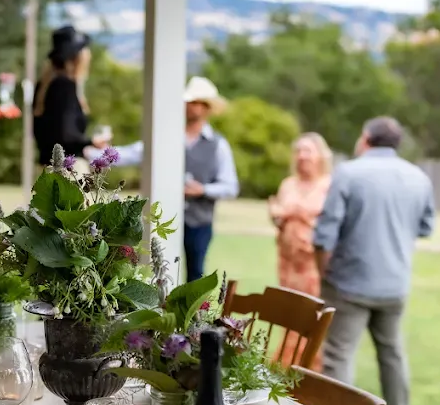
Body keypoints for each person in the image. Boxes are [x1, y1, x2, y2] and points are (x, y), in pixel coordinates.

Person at [312, 117, 434, 405]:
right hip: (394, 285)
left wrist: (324, 271)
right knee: (392, 355)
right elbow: (426, 226)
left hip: (348, 283)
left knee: (338, 356)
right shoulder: (418, 177)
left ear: (365, 139)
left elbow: (323, 236)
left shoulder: (349, 172)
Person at [108, 77, 239, 281]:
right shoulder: (167, 137)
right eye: (189, 102)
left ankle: (193, 314)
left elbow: (230, 186)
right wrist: (102, 154)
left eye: (196, 103)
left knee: (195, 274)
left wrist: (203, 190)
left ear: (206, 108)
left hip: (199, 221)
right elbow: (135, 153)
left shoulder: (218, 144)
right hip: (164, 217)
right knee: (158, 271)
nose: (190, 107)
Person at [32, 26, 108, 166]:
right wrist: (91, 142)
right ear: (77, 58)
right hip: (69, 167)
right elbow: (66, 135)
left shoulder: (44, 86)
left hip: (48, 167)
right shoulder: (65, 87)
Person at [269, 132, 333, 297]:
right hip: (288, 261)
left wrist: (302, 214)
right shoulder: (288, 184)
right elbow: (278, 218)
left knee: (312, 312)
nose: (302, 156)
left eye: (308, 151)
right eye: (298, 151)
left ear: (321, 155)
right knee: (288, 310)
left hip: (314, 264)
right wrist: (278, 216)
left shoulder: (329, 186)